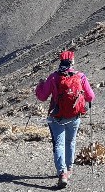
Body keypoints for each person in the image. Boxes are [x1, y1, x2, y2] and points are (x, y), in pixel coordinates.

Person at [35, 50, 94, 189]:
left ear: (61, 61)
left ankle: (62, 173)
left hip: (57, 117)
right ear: (72, 62)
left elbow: (43, 97)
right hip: (74, 116)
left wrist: (40, 86)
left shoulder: (54, 77)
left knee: (59, 144)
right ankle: (69, 169)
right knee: (70, 142)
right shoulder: (80, 76)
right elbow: (91, 97)